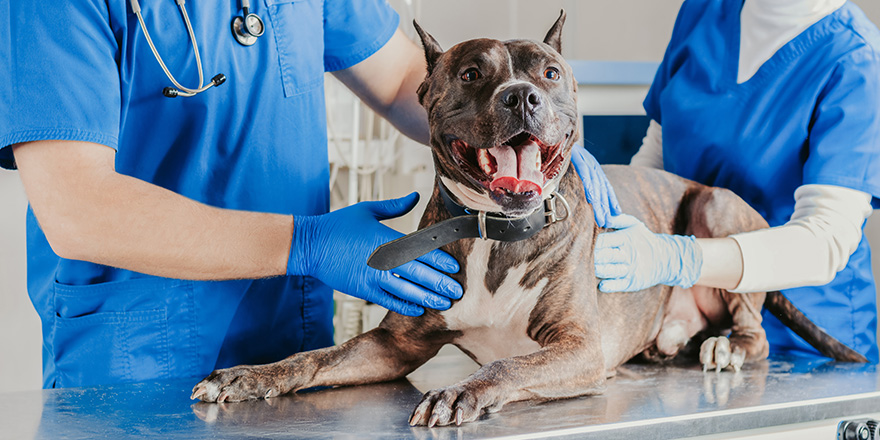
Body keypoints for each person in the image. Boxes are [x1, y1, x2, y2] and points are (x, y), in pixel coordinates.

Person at [0, 1, 618, 388]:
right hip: (137, 354)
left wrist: (530, 138)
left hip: (292, 334)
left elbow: (411, 78)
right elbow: (76, 208)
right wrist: (306, 243)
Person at [594, 0, 880, 363]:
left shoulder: (856, 58)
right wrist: (617, 226)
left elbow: (824, 242)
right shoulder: (703, 11)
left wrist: (676, 259)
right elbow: (656, 154)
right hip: (685, 322)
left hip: (803, 345)